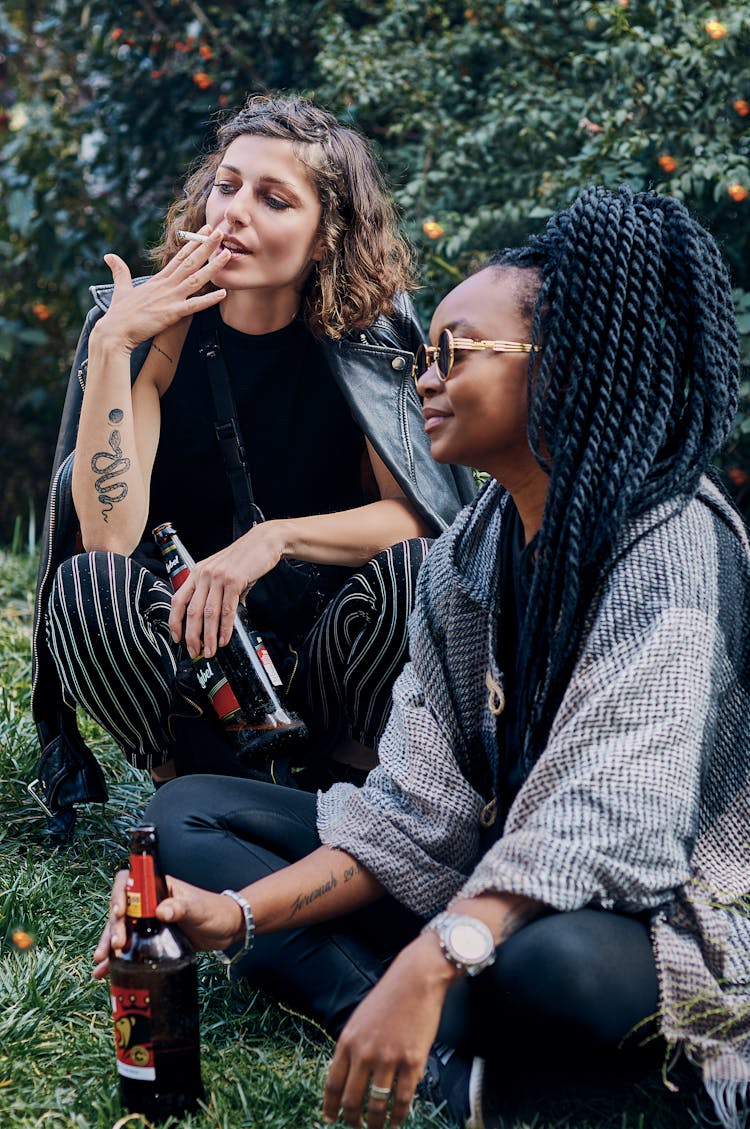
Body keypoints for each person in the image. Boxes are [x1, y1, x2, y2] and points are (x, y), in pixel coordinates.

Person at [93, 185, 750, 1129]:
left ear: (561, 370)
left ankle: (437, 1022)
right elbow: (413, 812)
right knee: (191, 815)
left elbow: (619, 826)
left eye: (452, 353)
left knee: (543, 967)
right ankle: (428, 1050)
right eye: (422, 355)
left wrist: (437, 950)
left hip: (657, 916)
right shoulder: (469, 553)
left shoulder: (674, 538)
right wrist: (229, 914)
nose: (425, 379)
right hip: (494, 881)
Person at [29, 94, 476, 835]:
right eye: (227, 185)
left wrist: (271, 540)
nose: (232, 212)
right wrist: (112, 348)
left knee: (413, 570)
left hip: (328, 645)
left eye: (273, 198)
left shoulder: (378, 336)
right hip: (188, 648)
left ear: (327, 236)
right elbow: (109, 536)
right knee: (86, 587)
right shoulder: (142, 326)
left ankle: (343, 789)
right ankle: (184, 791)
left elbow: (416, 519)